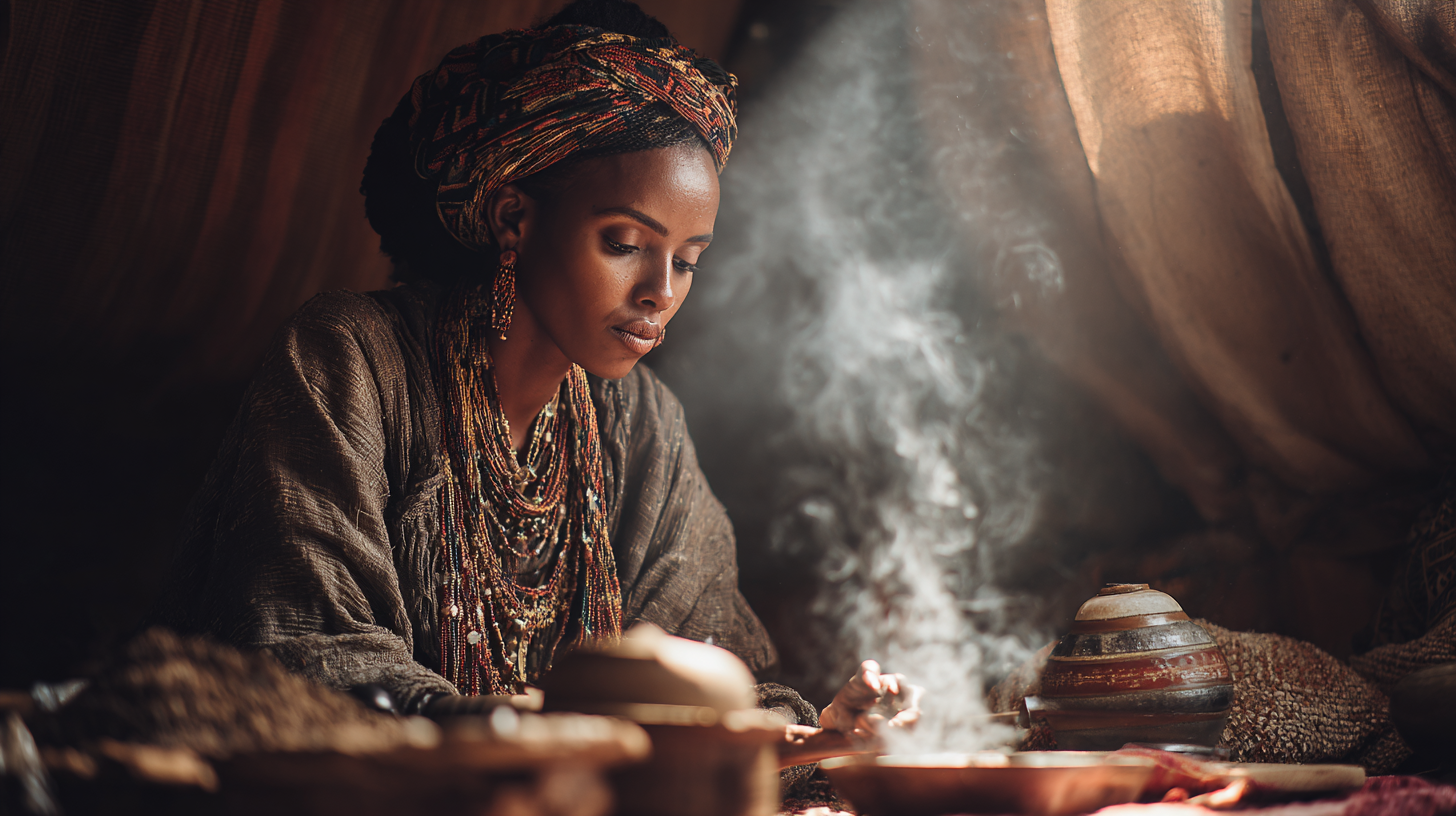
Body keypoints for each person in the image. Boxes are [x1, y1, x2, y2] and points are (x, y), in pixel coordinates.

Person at [151, 0, 914, 773]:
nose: (659, 291)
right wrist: (542, 736)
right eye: (625, 242)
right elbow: (305, 650)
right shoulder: (353, 356)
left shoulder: (639, 421)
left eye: (686, 260)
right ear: (513, 215)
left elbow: (710, 684)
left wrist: (812, 737)